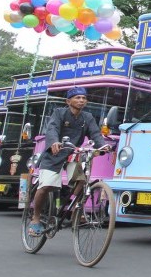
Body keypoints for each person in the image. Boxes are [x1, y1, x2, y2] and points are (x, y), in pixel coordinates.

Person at [27, 87, 109, 236]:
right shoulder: (59, 113)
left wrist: (103, 146)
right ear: (68, 101)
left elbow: (95, 134)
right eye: (77, 98)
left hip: (72, 154)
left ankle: (75, 210)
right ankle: (36, 218)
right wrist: (54, 142)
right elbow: (52, 129)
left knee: (82, 180)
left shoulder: (88, 117)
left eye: (84, 98)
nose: (81, 100)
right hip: (54, 154)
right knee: (46, 186)